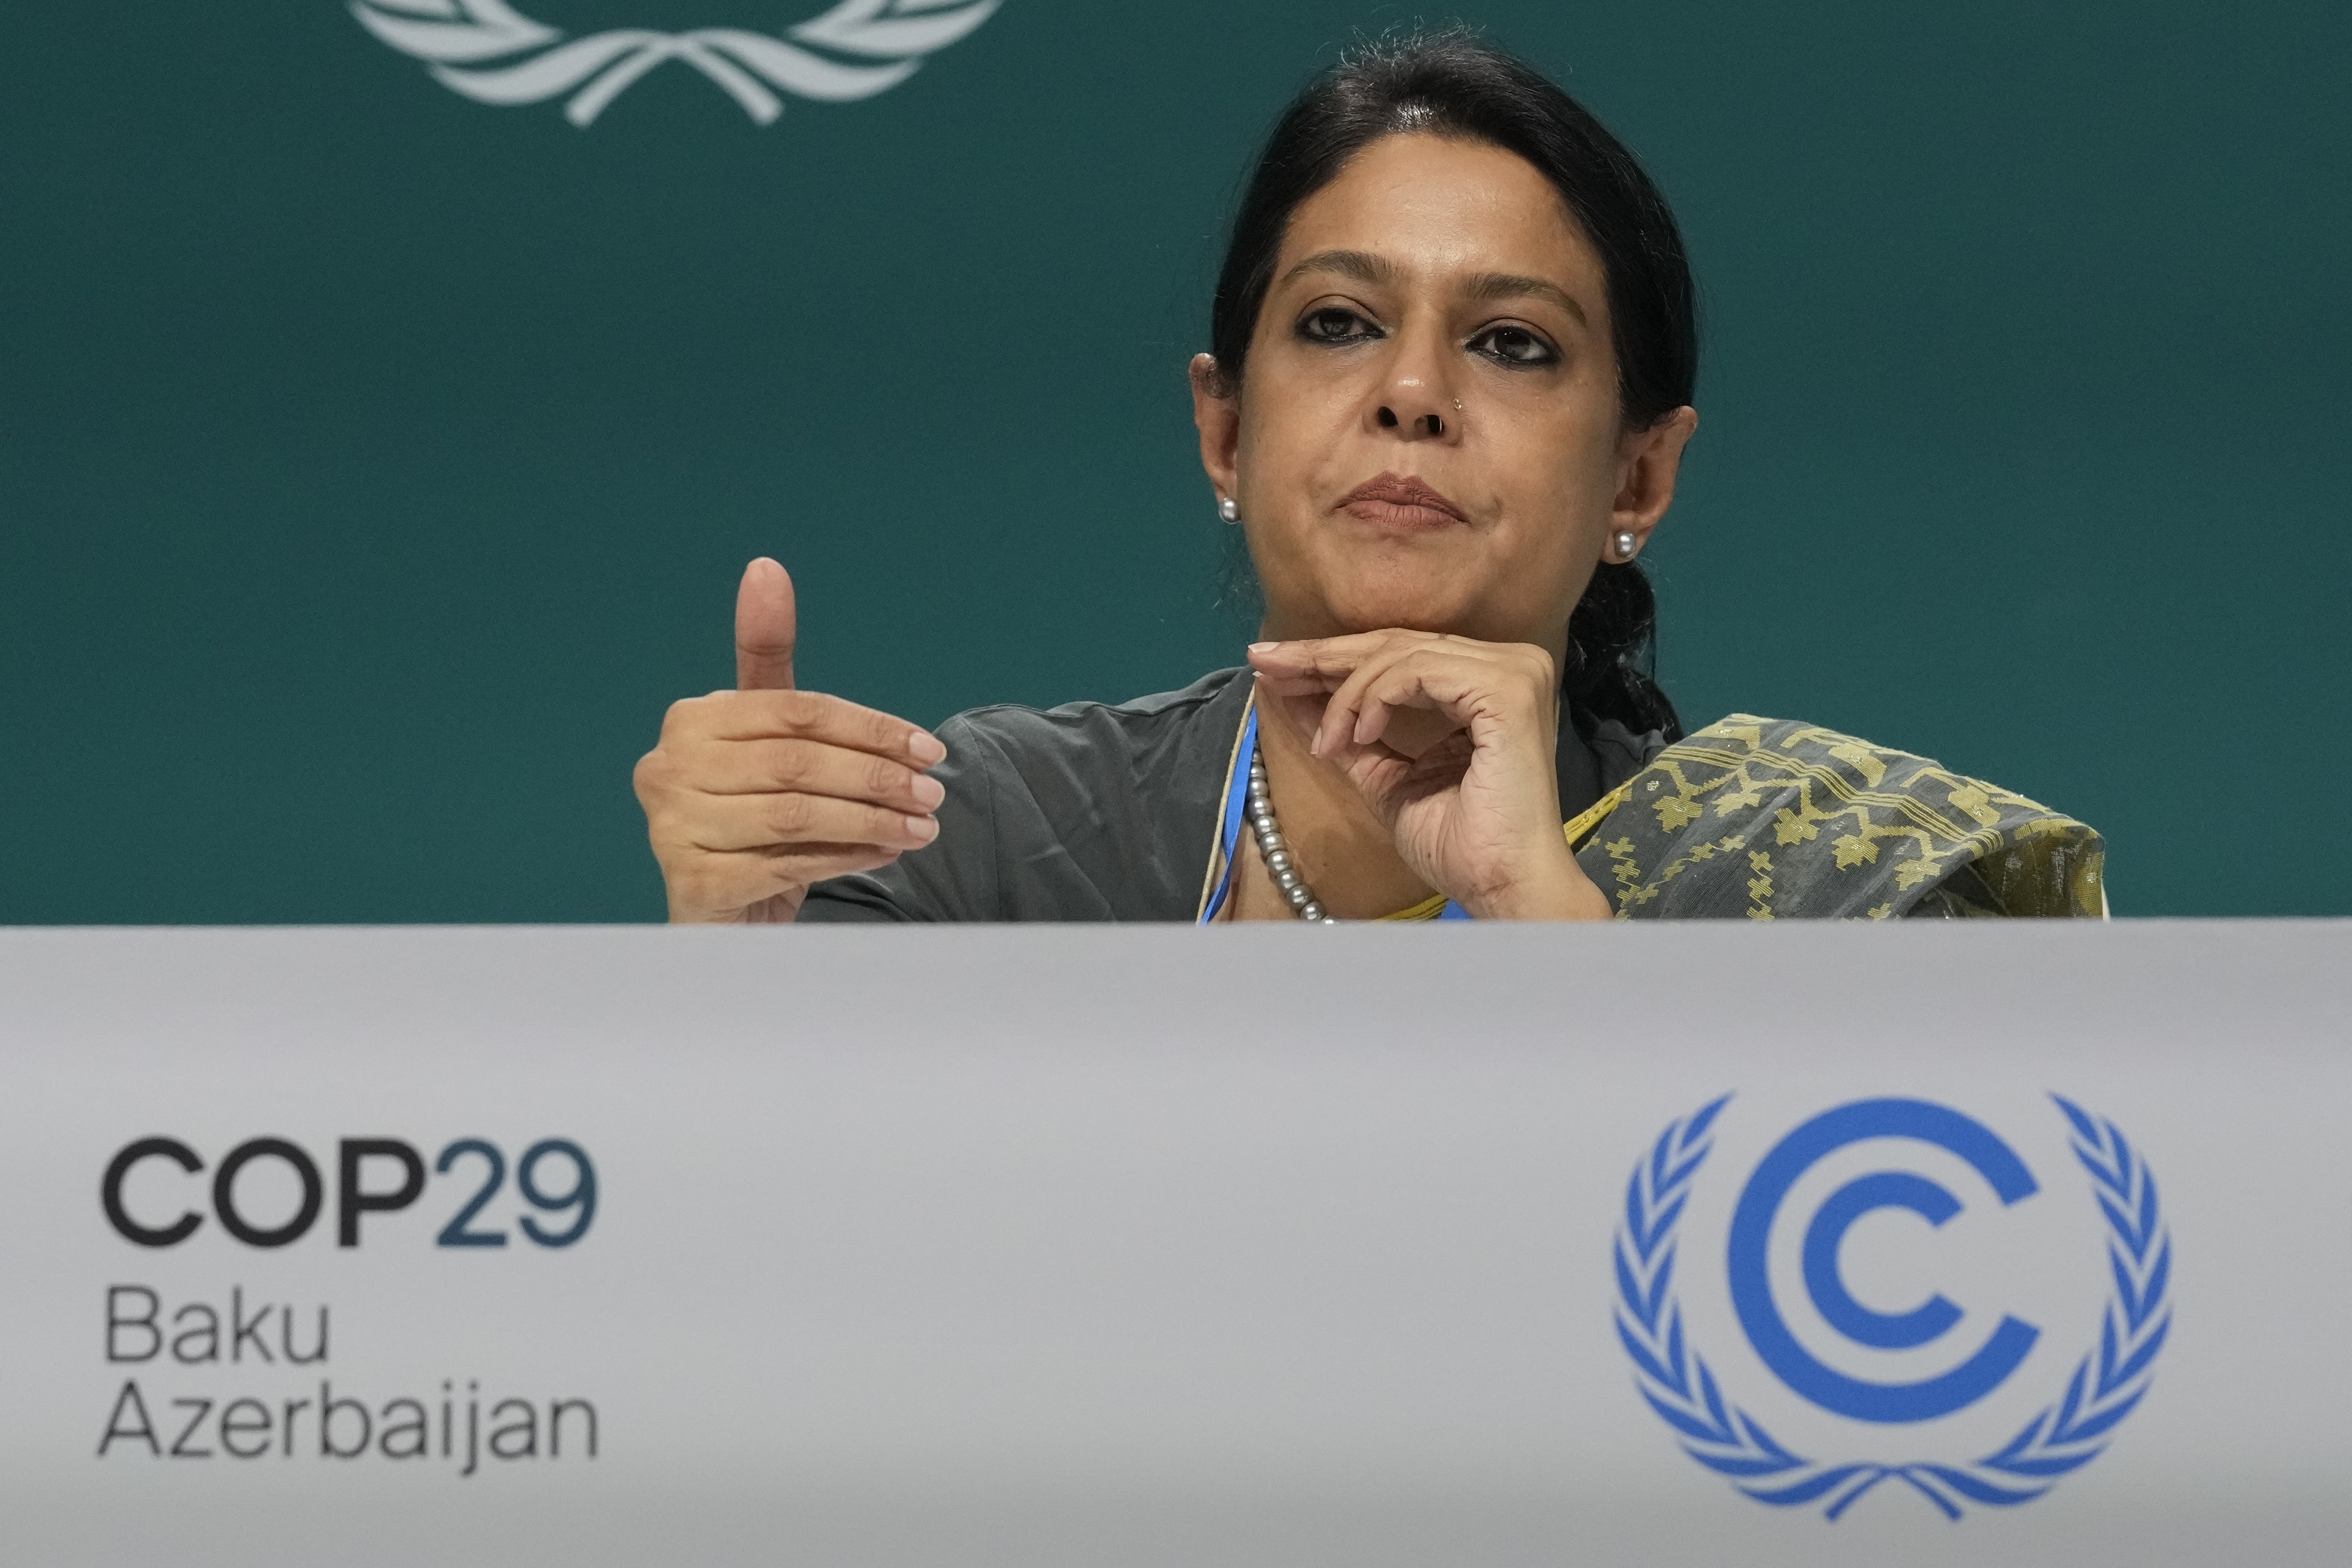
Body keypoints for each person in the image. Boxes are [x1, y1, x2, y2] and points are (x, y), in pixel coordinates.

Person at [633, 32, 2104, 925]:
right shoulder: (1002, 844)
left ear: (1637, 476)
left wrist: (1539, 915)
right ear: (1224, 430)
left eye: (1514, 342)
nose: (1411, 392)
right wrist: (744, 979)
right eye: (1338, 324)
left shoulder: (1819, 900)